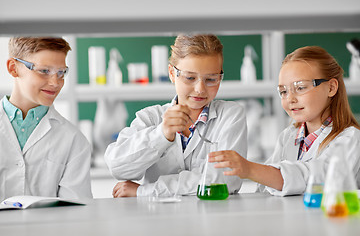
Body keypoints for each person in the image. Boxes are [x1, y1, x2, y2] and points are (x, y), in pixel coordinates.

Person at [105, 34, 247, 197]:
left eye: (211, 79)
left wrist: (145, 191)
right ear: (172, 73)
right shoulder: (151, 118)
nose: (200, 88)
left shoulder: (231, 115)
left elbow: (226, 180)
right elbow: (118, 167)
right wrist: (161, 135)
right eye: (190, 78)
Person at [209, 46, 360, 196]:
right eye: (283, 91)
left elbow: (318, 178)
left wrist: (250, 169)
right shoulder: (289, 136)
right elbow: (264, 188)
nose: (290, 99)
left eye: (300, 87)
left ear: (331, 88)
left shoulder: (351, 138)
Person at [0, 37, 93, 201]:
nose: (55, 82)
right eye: (44, 71)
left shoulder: (73, 140)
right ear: (13, 68)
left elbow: (75, 211)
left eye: (61, 72)